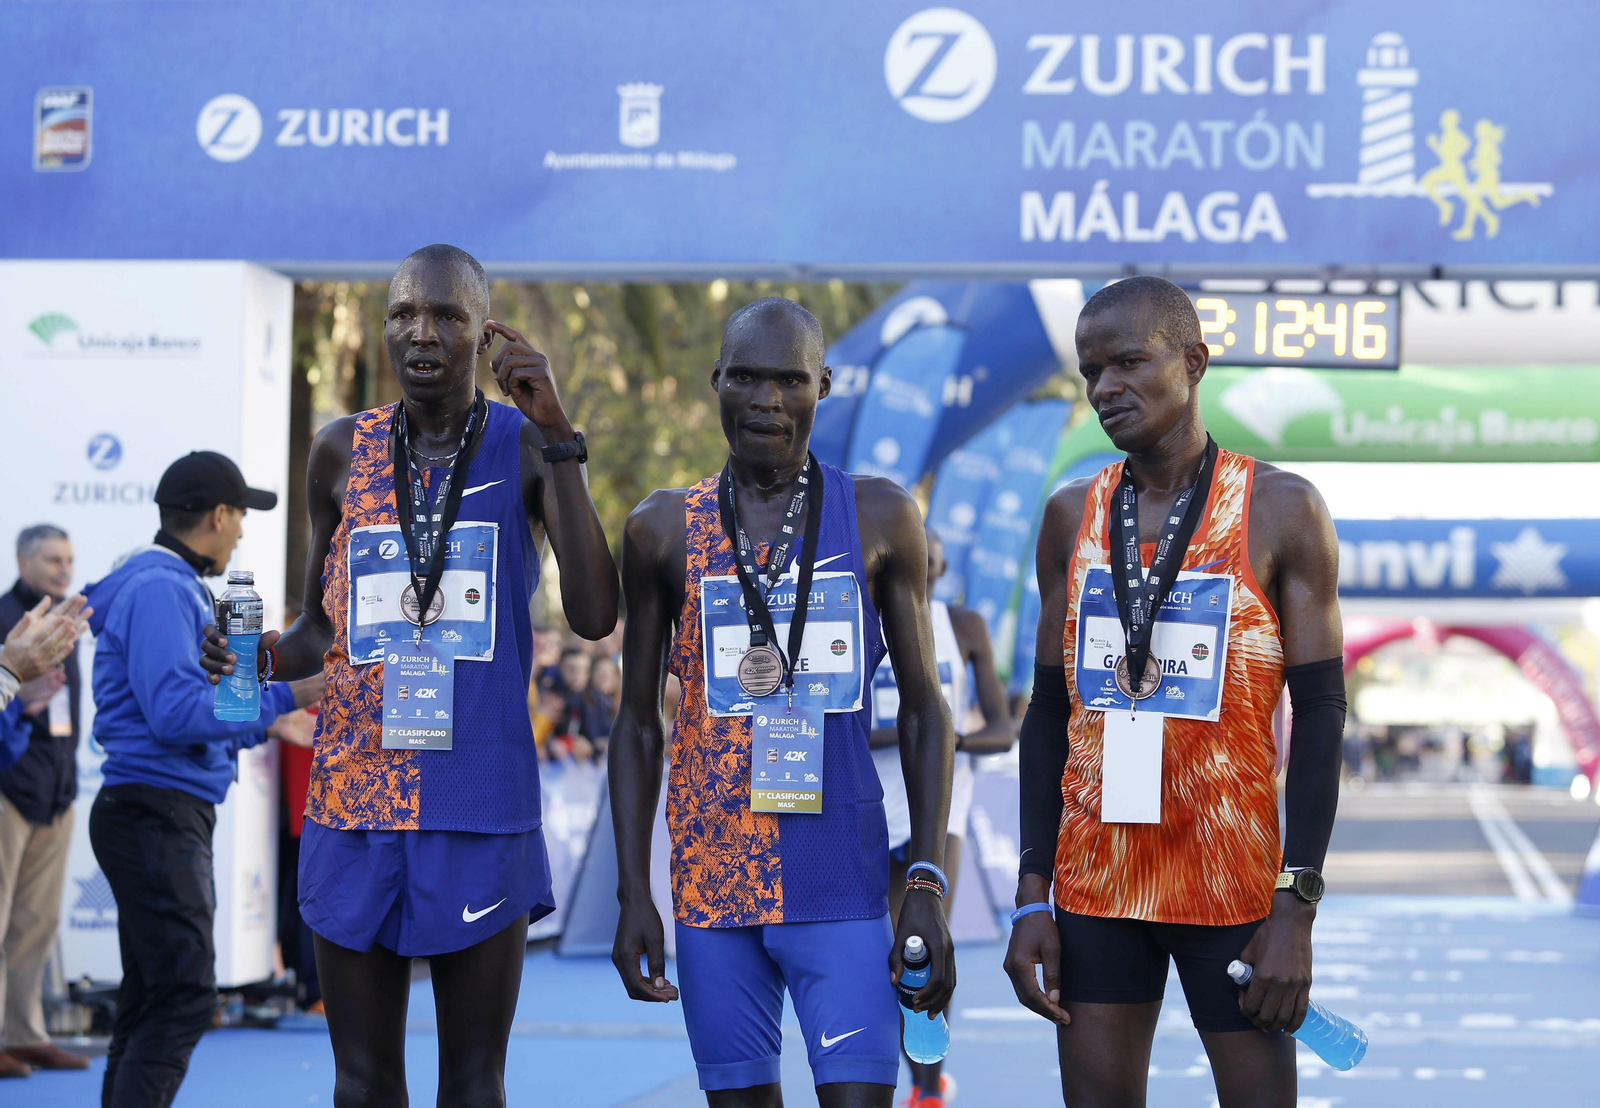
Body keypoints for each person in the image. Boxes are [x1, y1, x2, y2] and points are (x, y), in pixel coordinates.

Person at [202, 243, 618, 1108]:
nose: (420, 333)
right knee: (361, 1084)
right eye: (402, 315)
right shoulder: (338, 452)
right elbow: (325, 624)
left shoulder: (529, 446)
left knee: (472, 1085)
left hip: (477, 801)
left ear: (482, 332)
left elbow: (593, 615)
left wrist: (557, 431)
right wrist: (255, 657)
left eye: (446, 316)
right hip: (353, 800)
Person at [1002, 277, 1347, 1108]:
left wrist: (1296, 906)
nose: (1105, 389)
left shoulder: (1281, 509)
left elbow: (1324, 712)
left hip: (1232, 883)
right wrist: (1028, 897)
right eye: (1091, 371)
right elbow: (1049, 711)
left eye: (1129, 362)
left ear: (1193, 362)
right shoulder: (1069, 515)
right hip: (1096, 879)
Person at [609, 297, 956, 1108]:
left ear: (823, 386)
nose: (766, 399)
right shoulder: (660, 528)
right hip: (711, 886)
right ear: (716, 382)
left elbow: (923, 708)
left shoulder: (879, 515)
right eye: (747, 378)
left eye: (789, 380)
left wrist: (928, 881)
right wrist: (635, 892)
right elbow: (634, 723)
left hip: (837, 877)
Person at [85, 450, 321, 1108]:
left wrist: (263, 718)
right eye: (241, 515)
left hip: (157, 810)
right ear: (217, 515)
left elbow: (189, 711)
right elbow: (175, 714)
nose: (243, 530)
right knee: (184, 1000)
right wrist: (301, 692)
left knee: (152, 1000)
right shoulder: (162, 586)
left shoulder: (170, 583)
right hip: (155, 813)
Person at [868, 526, 1011, 1107]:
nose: (920, 571)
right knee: (877, 960)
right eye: (909, 562)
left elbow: (1001, 730)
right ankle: (883, 1072)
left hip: (939, 809)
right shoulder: (856, 620)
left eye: (931, 563)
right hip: (870, 809)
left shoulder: (964, 627)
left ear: (942, 570)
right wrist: (910, 734)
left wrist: (944, 739)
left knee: (922, 945)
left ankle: (927, 1086)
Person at [0, 525, 91, 1077]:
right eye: (53, 559)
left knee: (37, 922)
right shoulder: (6, 619)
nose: (64, 568)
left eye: (70, 559)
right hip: (8, 788)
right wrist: (17, 699)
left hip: (55, 790)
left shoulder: (65, 620)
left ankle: (24, 1033)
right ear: (22, 560)